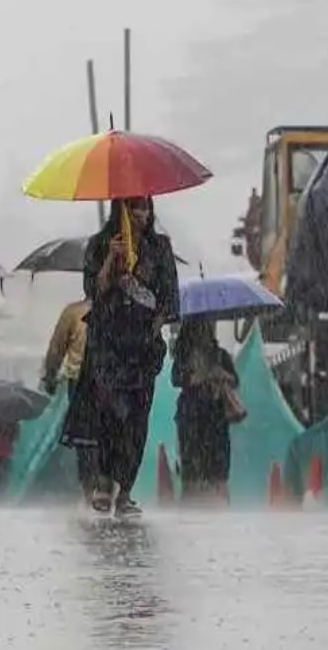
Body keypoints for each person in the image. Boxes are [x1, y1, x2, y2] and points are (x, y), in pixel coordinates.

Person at [61, 197, 179, 518]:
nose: (142, 214)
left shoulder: (159, 248)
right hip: (107, 347)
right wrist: (112, 259)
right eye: (135, 207)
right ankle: (103, 483)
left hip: (142, 350)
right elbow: (94, 291)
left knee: (136, 422)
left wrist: (154, 328)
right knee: (109, 416)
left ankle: (125, 492)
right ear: (121, 210)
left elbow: (169, 298)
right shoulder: (100, 244)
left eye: (146, 207)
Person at [171, 319, 240, 503]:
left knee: (217, 471)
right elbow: (176, 379)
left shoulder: (220, 355)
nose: (206, 331)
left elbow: (235, 380)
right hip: (192, 417)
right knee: (193, 470)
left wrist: (222, 375)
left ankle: (217, 502)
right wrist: (202, 376)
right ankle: (194, 503)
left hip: (215, 418)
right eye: (201, 327)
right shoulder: (184, 356)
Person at [40, 297, 94, 500]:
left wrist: (50, 376)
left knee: (86, 442)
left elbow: (57, 348)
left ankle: (91, 490)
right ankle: (97, 491)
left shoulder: (74, 312)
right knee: (100, 441)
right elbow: (57, 347)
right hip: (102, 384)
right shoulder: (121, 308)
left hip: (83, 385)